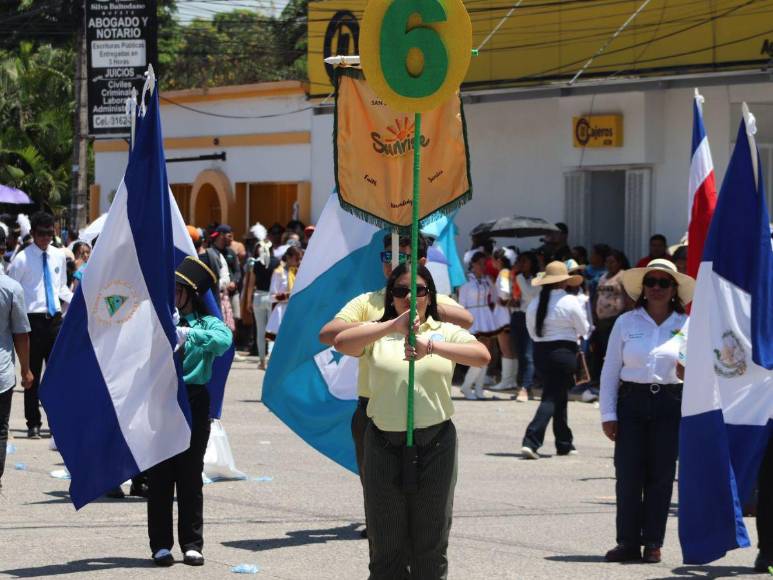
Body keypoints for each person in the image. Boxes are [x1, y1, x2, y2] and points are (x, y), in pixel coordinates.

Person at [334, 264, 490, 579]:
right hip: (383, 442)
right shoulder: (379, 333)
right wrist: (391, 326)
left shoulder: (442, 330)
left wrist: (429, 346)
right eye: (401, 291)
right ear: (391, 298)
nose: (409, 296)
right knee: (385, 538)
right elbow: (340, 342)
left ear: (429, 297)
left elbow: (481, 355)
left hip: (436, 442)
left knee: (431, 538)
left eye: (418, 290)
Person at [318, 233, 472, 539]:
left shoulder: (429, 297)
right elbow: (328, 334)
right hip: (374, 407)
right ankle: (381, 526)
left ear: (422, 263)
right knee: (376, 483)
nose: (393, 265)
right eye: (387, 258)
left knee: (428, 492)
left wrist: (421, 299)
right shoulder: (368, 301)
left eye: (403, 258)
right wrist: (385, 323)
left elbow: (465, 320)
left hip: (425, 412)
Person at [599, 259, 694, 564]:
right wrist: (608, 414)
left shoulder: (686, 324)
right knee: (628, 476)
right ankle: (627, 542)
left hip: (670, 403)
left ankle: (653, 541)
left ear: (674, 289)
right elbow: (610, 371)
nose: (656, 288)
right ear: (642, 288)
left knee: (661, 476)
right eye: (651, 282)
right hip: (632, 403)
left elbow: (698, 371)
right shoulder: (626, 322)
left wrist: (687, 370)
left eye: (663, 283)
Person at [147, 256, 232, 567]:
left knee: (189, 474)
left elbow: (225, 340)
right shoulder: (160, 318)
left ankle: (192, 543)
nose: (173, 294)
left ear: (191, 294)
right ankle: (160, 544)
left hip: (194, 398)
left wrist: (189, 334)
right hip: (161, 398)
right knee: (160, 474)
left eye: (179, 290)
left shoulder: (205, 323)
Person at [7, 212, 72, 439]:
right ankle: (33, 422)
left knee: (56, 374)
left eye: (49, 233)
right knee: (31, 374)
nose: (46, 238)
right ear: (33, 234)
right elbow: (12, 290)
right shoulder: (22, 259)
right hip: (32, 322)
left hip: (54, 320)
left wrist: (78, 301)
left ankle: (56, 421)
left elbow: (61, 287)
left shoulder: (58, 256)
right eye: (41, 234)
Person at [521, 261, 588, 459]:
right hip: (564, 353)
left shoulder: (535, 302)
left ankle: (564, 442)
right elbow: (584, 329)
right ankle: (531, 440)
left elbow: (532, 332)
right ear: (564, 282)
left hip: (541, 352)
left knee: (558, 395)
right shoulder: (570, 301)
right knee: (552, 397)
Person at [0, 227, 33, 490]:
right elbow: (21, 334)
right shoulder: (12, 288)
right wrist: (26, 370)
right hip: (1, 374)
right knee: (0, 430)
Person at [457, 252, 498, 400]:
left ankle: (479, 389)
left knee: (486, 354)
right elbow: (461, 304)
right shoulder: (466, 281)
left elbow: (495, 296)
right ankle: (467, 386)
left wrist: (492, 282)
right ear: (473, 264)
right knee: (477, 353)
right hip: (473, 317)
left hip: (486, 316)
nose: (483, 267)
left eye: (484, 263)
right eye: (480, 263)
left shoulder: (487, 281)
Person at [590, 249, 629, 383]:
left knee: (612, 352)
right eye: (607, 261)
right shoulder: (603, 276)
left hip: (615, 319)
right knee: (599, 351)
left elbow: (627, 297)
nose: (609, 264)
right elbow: (597, 296)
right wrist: (594, 314)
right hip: (601, 320)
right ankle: (597, 380)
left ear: (620, 262)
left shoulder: (623, 276)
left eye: (612, 262)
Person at [243, 223, 279, 369]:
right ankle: (270, 356)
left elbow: (251, 284)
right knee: (271, 330)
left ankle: (262, 360)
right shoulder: (277, 263)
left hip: (258, 297)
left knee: (260, 330)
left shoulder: (256, 264)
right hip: (271, 297)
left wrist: (248, 302)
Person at [489, 248, 518, 391]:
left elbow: (505, 293)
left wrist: (502, 300)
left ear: (499, 260)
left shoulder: (503, 272)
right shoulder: (508, 272)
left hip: (503, 315)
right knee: (510, 349)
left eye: (493, 259)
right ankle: (511, 380)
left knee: (505, 348)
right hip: (507, 314)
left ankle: (507, 380)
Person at [266, 246, 302, 339]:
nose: (299, 262)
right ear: (288, 258)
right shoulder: (279, 273)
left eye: (300, 259)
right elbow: (271, 297)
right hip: (282, 312)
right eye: (297, 259)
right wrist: (286, 296)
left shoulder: (298, 272)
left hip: (296, 310)